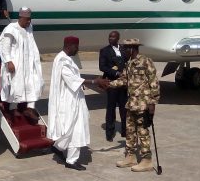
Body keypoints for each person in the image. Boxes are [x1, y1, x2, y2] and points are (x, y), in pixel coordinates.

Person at [47, 36, 109, 171]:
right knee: (76, 129)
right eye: (77, 46)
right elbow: (72, 79)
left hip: (74, 98)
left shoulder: (65, 58)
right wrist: (94, 81)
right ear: (70, 45)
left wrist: (83, 85)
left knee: (73, 128)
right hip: (69, 101)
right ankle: (70, 159)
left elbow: (74, 80)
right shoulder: (63, 60)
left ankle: (59, 147)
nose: (78, 49)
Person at [109, 38, 160, 172]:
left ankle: (147, 160)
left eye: (126, 48)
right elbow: (124, 80)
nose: (124, 50)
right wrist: (108, 84)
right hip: (131, 104)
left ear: (132, 48)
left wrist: (152, 103)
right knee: (130, 131)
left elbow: (154, 82)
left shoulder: (145, 61)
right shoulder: (129, 63)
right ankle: (130, 156)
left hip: (143, 104)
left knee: (143, 132)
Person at [0, 7, 44, 124]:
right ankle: (13, 108)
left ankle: (30, 107)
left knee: (33, 82)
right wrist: (8, 61)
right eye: (26, 19)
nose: (29, 22)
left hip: (29, 62)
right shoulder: (11, 29)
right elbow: (4, 46)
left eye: (30, 19)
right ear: (20, 18)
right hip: (16, 62)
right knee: (16, 84)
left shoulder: (29, 27)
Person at [99, 31, 127, 141]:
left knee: (124, 108)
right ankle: (109, 133)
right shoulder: (104, 51)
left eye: (113, 37)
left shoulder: (124, 49)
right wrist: (115, 73)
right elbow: (102, 67)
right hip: (111, 83)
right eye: (109, 36)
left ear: (118, 38)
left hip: (123, 83)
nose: (110, 38)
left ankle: (125, 131)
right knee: (111, 109)